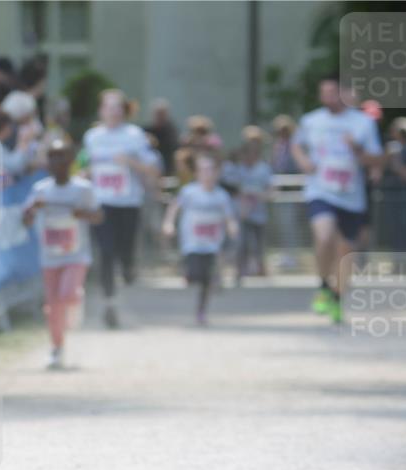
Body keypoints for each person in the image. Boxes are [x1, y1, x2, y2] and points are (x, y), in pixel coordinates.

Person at [291, 74, 384, 324]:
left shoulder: (362, 123)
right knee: (324, 235)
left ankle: (337, 299)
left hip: (351, 197)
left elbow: (375, 160)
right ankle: (322, 286)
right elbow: (296, 144)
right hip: (320, 191)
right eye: (323, 93)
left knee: (346, 253)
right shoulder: (311, 120)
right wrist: (303, 162)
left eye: (331, 92)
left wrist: (357, 150)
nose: (327, 98)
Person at [82, 88, 160, 328]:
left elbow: (153, 169)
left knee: (124, 253)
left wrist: (130, 162)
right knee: (105, 252)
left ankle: (129, 266)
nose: (113, 111)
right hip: (102, 203)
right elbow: (84, 165)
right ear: (101, 110)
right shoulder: (92, 137)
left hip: (128, 203)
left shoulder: (134, 135)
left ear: (124, 110)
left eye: (117, 106)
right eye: (108, 106)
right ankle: (109, 302)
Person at [22, 140, 101, 369]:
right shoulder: (41, 190)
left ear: (71, 161)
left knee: (68, 295)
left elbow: (98, 216)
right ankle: (57, 348)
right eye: (53, 157)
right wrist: (32, 209)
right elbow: (25, 220)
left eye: (62, 157)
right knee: (53, 307)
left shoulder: (82, 188)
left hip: (76, 254)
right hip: (50, 255)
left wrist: (82, 213)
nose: (58, 162)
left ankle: (76, 298)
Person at [162, 152, 238, 326]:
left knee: (206, 280)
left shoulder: (221, 195)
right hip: (192, 243)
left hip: (212, 244)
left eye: (210, 170)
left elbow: (229, 216)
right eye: (203, 170)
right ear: (197, 173)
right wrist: (168, 224)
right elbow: (174, 208)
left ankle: (201, 311)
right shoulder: (189, 192)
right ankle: (189, 274)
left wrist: (232, 226)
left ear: (216, 173)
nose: (207, 174)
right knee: (195, 273)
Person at [224, 126, 274, 283]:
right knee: (241, 243)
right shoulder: (236, 168)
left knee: (259, 244)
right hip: (241, 213)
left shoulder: (264, 169)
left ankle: (261, 269)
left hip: (258, 213)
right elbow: (229, 185)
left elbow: (271, 190)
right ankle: (239, 271)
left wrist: (259, 195)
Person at [144, 98, 178, 177]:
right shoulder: (147, 130)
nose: (159, 116)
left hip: (168, 169)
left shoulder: (171, 130)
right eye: (157, 113)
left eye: (161, 113)